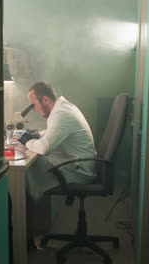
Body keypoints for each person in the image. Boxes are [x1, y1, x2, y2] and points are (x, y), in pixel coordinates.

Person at [18, 81, 96, 248]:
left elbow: (45, 148)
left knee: (23, 176)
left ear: (45, 100)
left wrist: (27, 141)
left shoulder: (61, 114)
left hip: (79, 170)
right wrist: (36, 135)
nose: (33, 110)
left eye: (33, 105)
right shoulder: (63, 107)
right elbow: (52, 132)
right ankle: (31, 230)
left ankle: (24, 238)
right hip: (78, 163)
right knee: (32, 167)